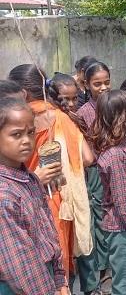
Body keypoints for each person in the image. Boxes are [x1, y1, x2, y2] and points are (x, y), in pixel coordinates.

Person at [8, 64, 94, 283]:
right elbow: (87, 158)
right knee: (60, 265)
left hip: (30, 201)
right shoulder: (62, 117)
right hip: (62, 198)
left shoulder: (16, 122)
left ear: (22, 94)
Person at [0, 97, 69, 295]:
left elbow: (48, 232)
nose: (27, 141)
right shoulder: (5, 195)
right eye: (16, 135)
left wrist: (59, 279)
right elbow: (21, 264)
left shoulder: (28, 179)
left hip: (43, 277)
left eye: (31, 133)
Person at [91, 90, 126, 295]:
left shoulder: (121, 146)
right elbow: (122, 201)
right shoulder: (115, 155)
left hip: (124, 226)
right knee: (124, 284)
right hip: (121, 228)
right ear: (122, 118)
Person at [76, 61, 112, 295]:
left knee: (110, 220)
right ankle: (97, 274)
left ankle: (108, 269)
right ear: (87, 85)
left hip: (113, 170)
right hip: (94, 173)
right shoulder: (84, 113)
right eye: (97, 84)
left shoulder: (111, 106)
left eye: (106, 82)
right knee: (96, 221)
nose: (103, 87)